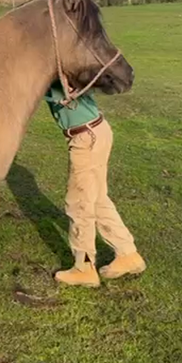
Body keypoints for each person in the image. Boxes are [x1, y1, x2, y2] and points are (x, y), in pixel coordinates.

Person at [42, 82, 146, 287]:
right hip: (98, 130)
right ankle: (128, 254)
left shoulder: (55, 71)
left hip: (84, 138)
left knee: (79, 203)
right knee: (97, 198)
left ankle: (84, 268)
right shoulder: (65, 68)